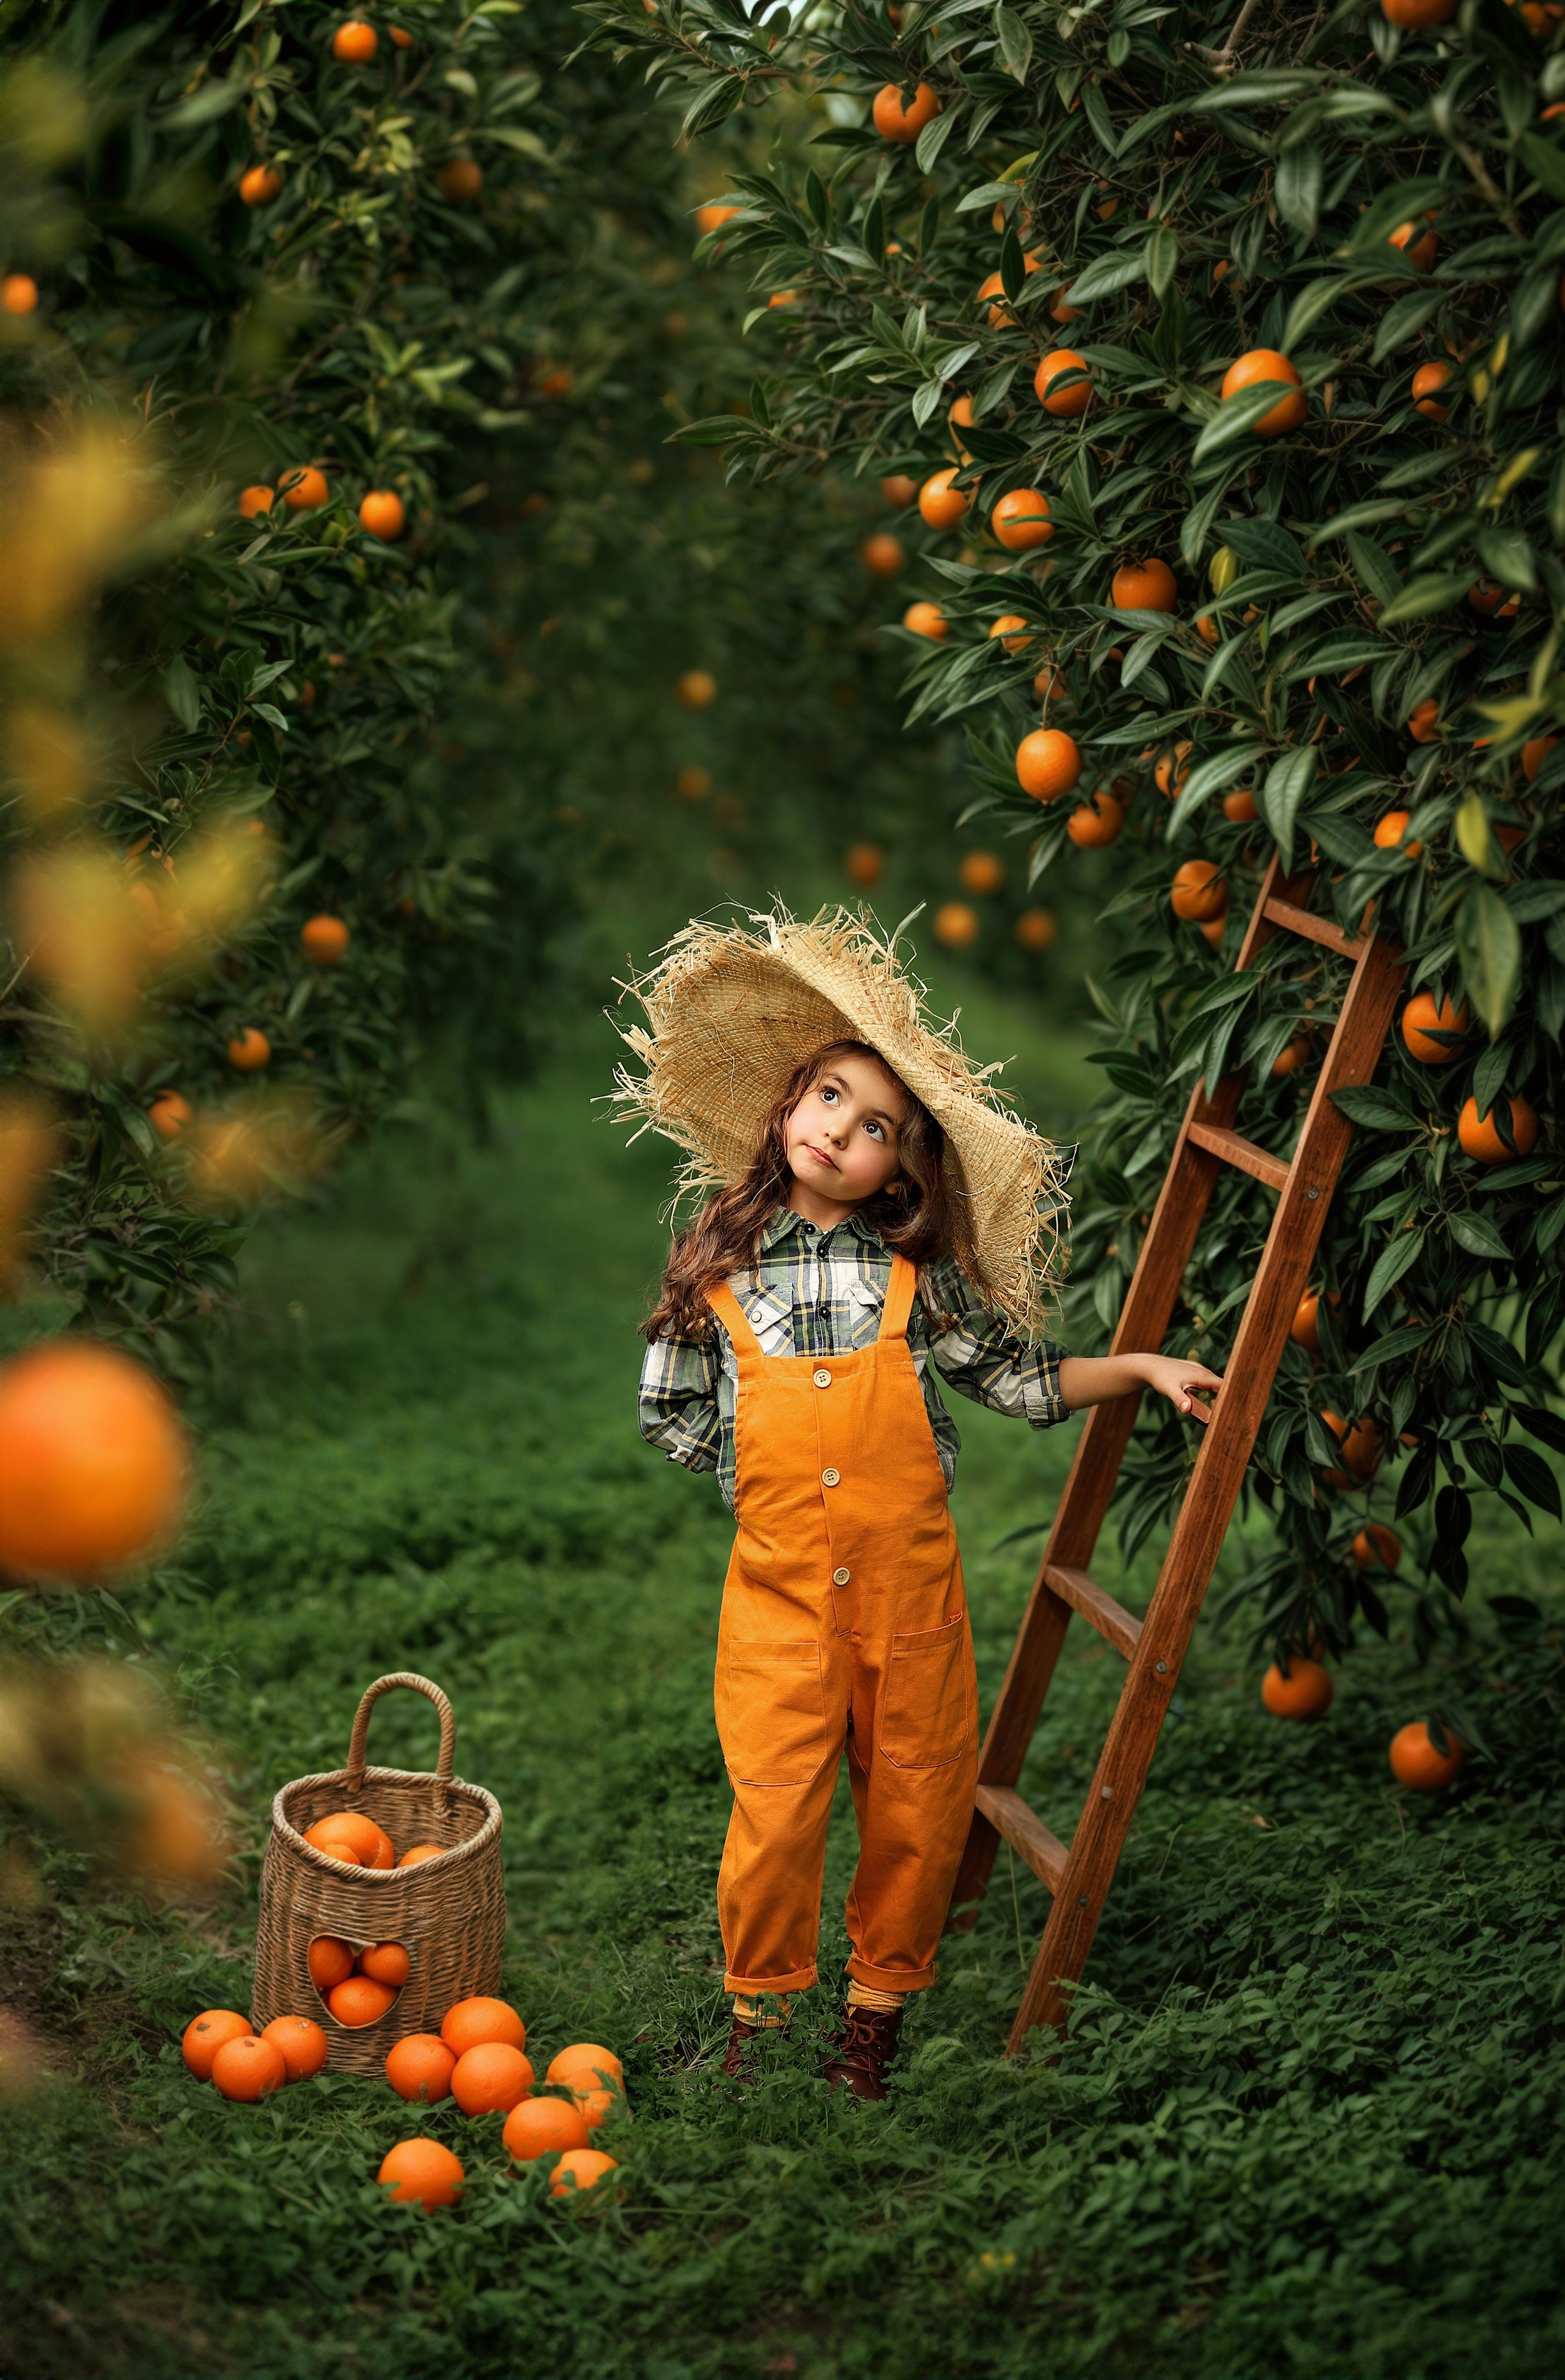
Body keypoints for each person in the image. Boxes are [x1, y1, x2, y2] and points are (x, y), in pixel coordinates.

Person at [618, 908, 1223, 2099]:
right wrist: (752, 1475)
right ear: (788, 1107)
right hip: (779, 1597)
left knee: (913, 1800)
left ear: (904, 1167)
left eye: (877, 1127)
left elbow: (1019, 1381)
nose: (843, 1133)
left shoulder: (914, 1275)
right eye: (830, 1101)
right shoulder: (715, 1265)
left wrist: (1142, 1369)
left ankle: (872, 2017)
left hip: (907, 1593)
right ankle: (761, 2018)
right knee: (774, 1812)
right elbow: (670, 1409)